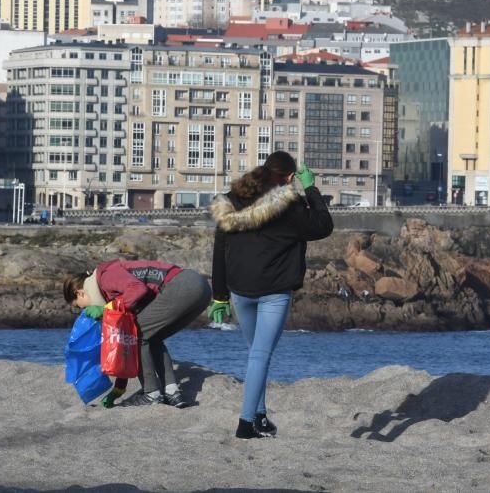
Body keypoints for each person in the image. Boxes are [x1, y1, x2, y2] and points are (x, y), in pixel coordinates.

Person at [208, 151, 333, 439]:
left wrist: (219, 295)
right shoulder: (290, 207)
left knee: (256, 356)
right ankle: (245, 424)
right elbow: (323, 226)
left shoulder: (232, 200)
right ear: (290, 177)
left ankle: (260, 416)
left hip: (240, 291)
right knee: (260, 356)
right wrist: (311, 188)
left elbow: (220, 249)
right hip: (274, 293)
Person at [63, 259, 211, 408]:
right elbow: (126, 341)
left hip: (183, 284)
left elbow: (137, 289)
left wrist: (106, 309)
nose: (83, 311)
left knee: (138, 335)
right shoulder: (113, 295)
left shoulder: (105, 277)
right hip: (201, 290)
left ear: (80, 293)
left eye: (79, 307)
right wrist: (119, 388)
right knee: (151, 337)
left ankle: (151, 393)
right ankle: (172, 392)